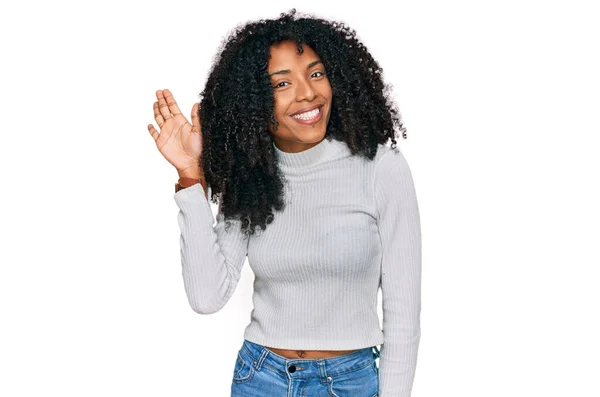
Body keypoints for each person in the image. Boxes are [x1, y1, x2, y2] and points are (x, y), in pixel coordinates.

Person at [147, 9, 421, 397]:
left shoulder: (381, 169)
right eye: (282, 84)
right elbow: (207, 297)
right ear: (255, 101)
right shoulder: (251, 176)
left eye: (315, 73)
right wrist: (192, 176)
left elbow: (403, 315)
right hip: (261, 378)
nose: (307, 93)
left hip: (351, 382)